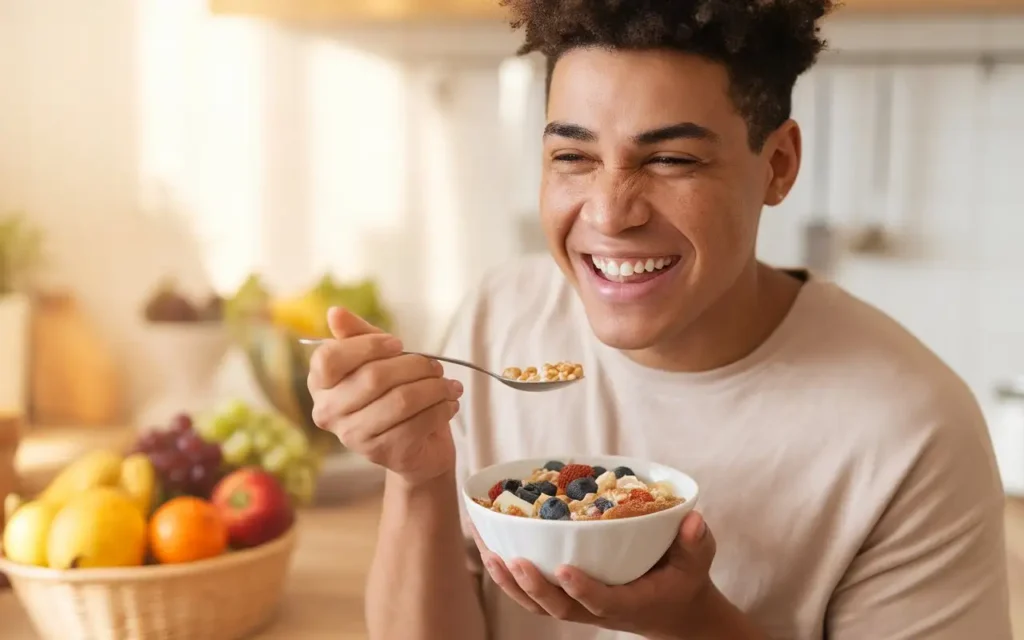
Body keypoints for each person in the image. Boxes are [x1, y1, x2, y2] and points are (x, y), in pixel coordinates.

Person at [306, 0, 1013, 638]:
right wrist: (419, 477)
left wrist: (696, 623)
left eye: (672, 158)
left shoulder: (913, 430)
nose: (611, 212)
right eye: (573, 157)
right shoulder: (502, 315)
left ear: (779, 164)